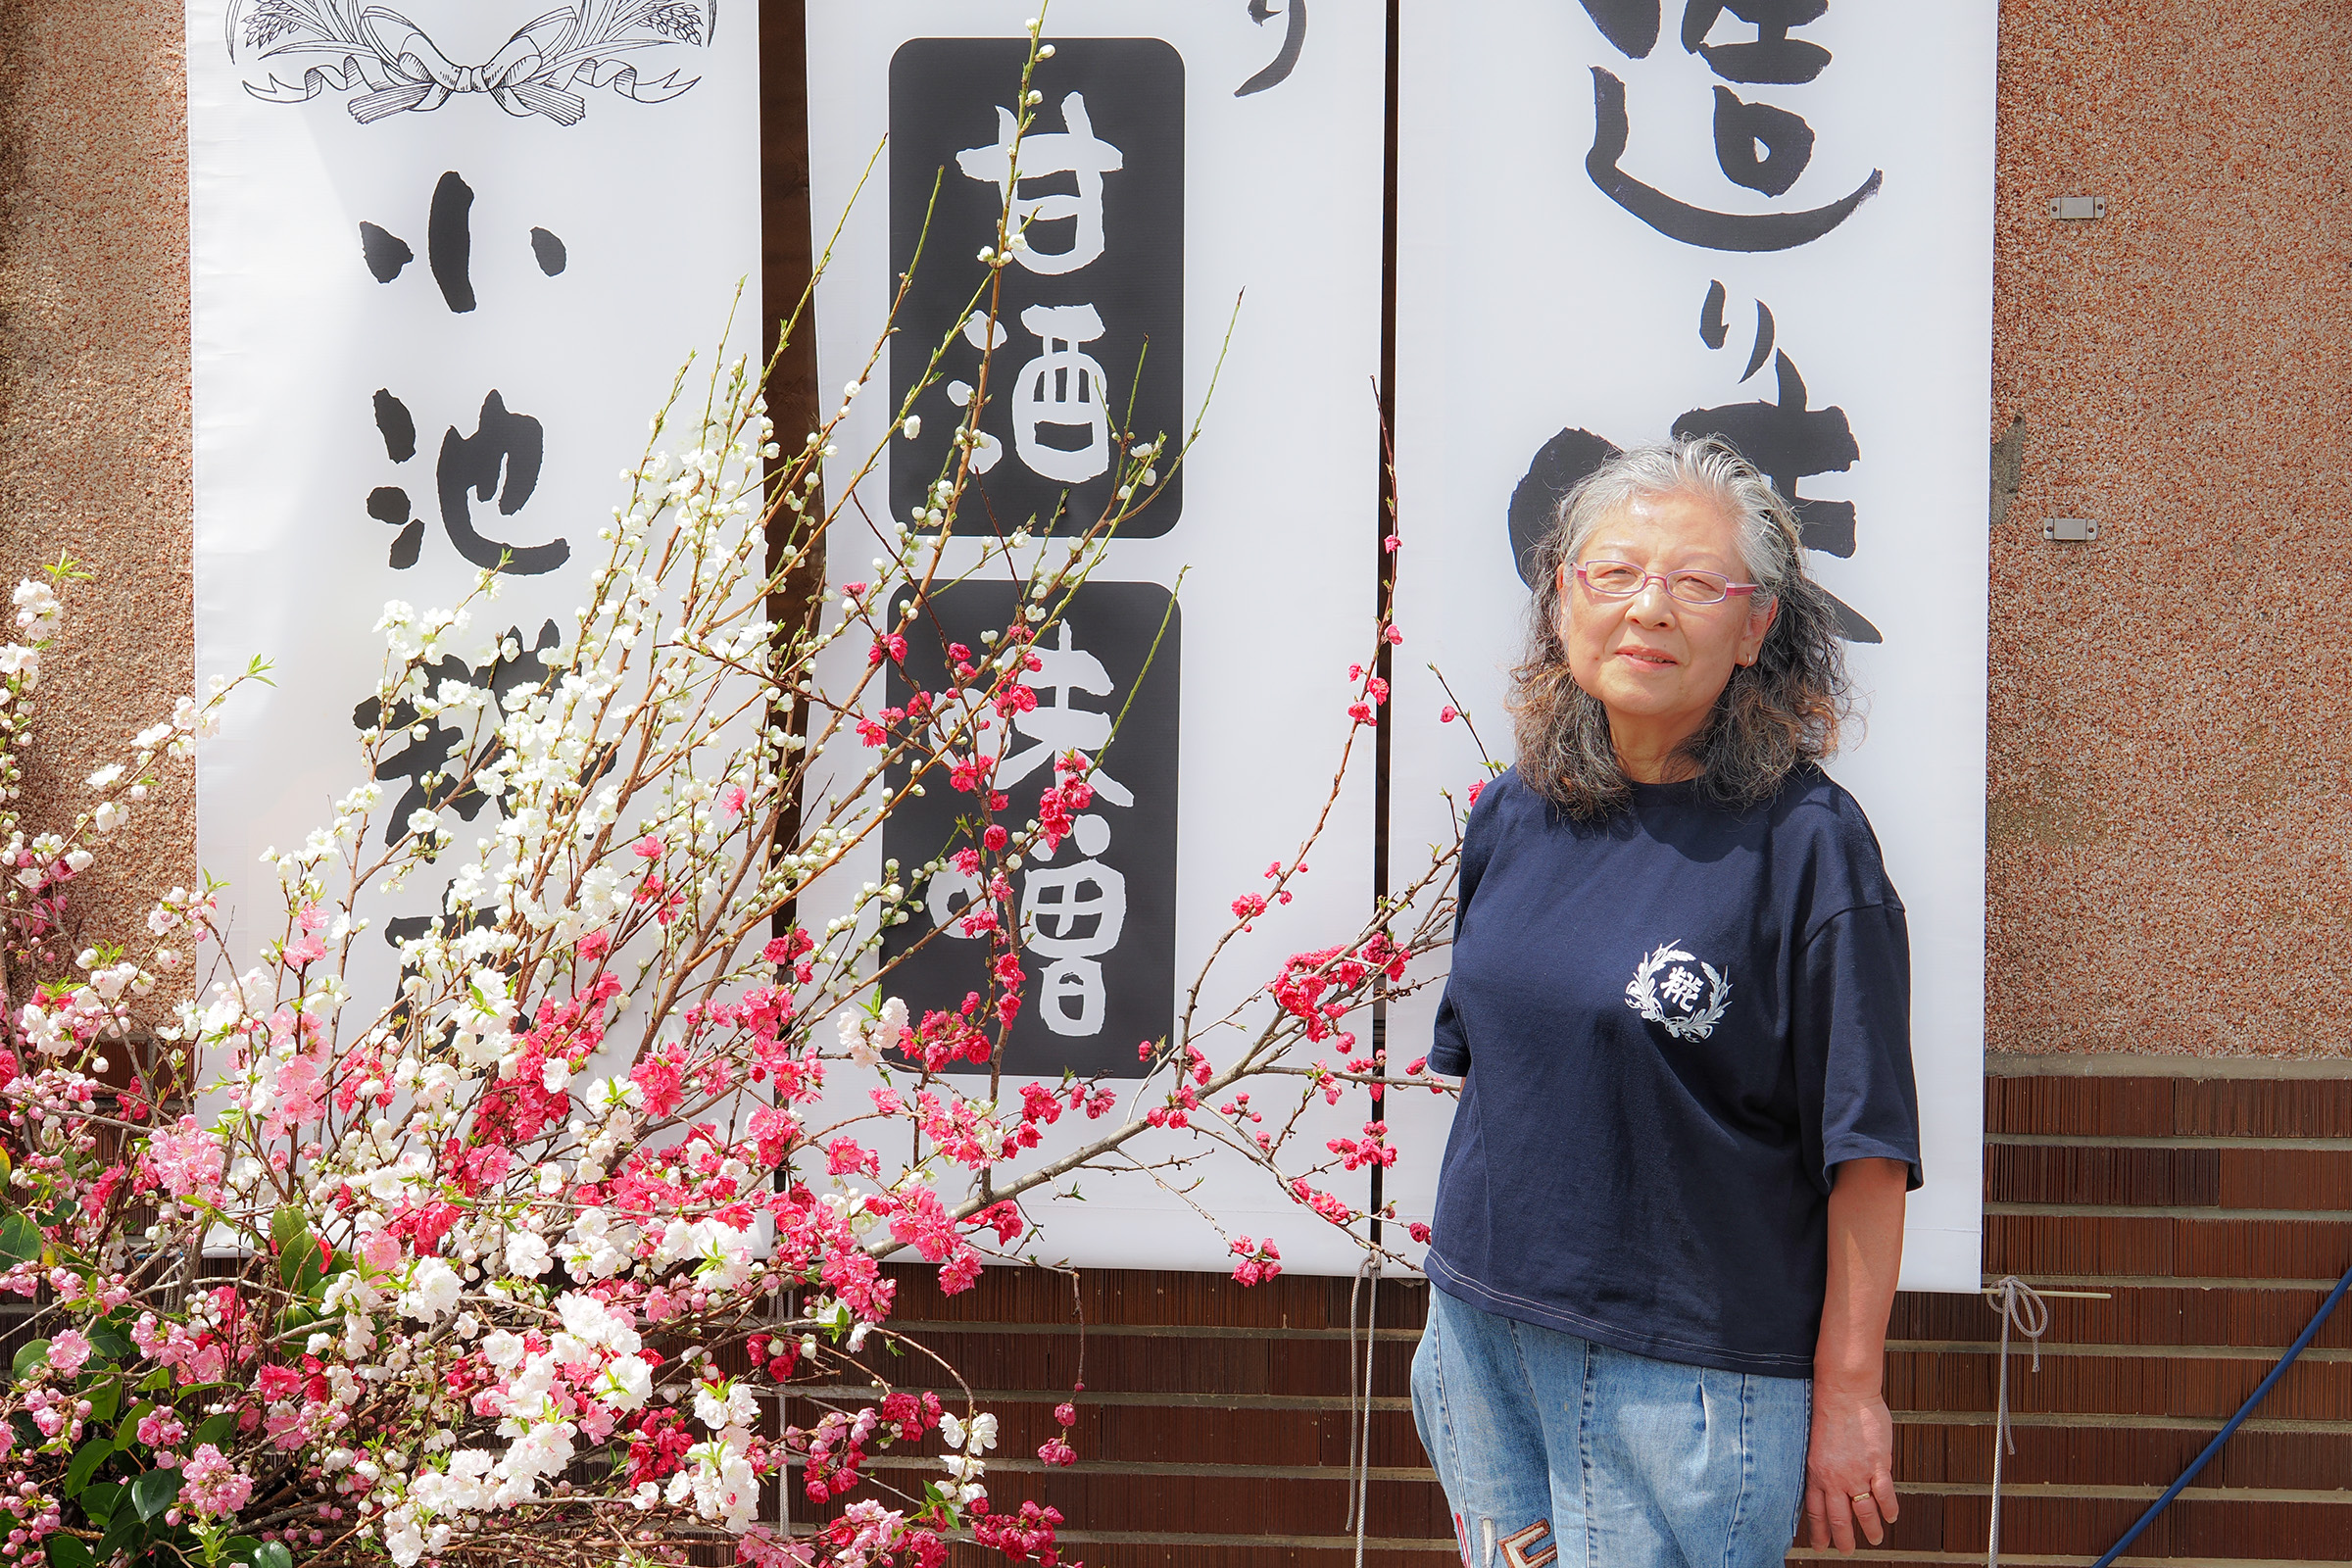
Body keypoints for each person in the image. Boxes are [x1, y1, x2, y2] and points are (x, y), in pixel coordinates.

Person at [1410, 437, 1922, 1568]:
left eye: (1695, 584)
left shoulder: (1808, 849)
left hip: (1682, 1380)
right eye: (1614, 573)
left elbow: (1868, 1153)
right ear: (1561, 600)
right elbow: (1500, 1073)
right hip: (1480, 1340)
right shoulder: (1513, 813)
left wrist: (1849, 1394)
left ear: (1755, 630)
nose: (1648, 609)